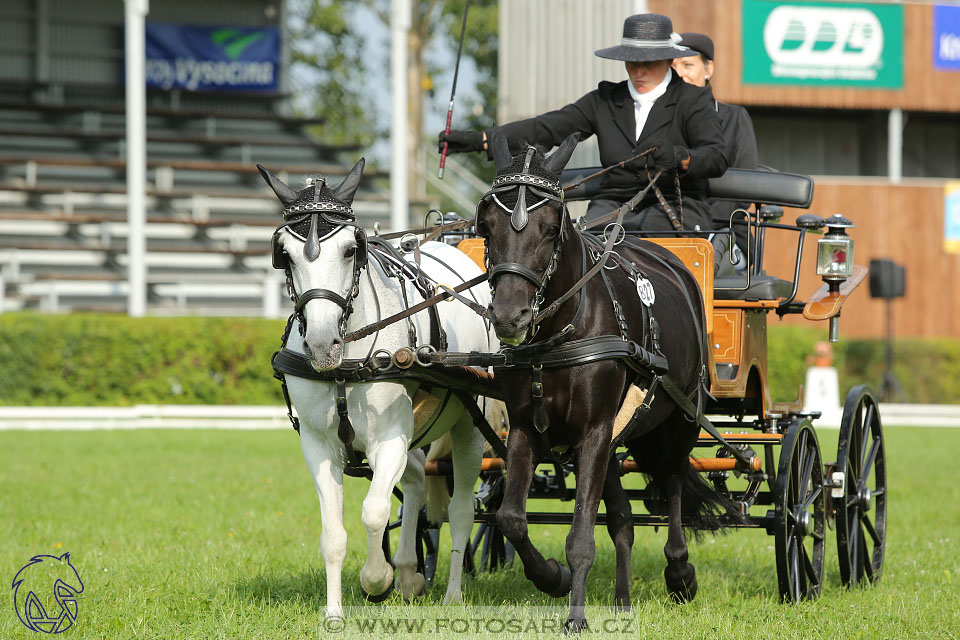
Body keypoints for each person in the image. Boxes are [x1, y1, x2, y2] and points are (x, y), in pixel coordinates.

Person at [439, 13, 727, 233]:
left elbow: (716, 156)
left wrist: (682, 158)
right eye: (631, 62)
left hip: (677, 206)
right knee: (580, 246)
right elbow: (547, 127)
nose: (638, 71)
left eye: (648, 63)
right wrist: (483, 139)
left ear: (667, 60)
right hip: (612, 205)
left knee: (651, 239)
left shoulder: (693, 99)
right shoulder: (603, 100)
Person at [673, 32, 758, 268]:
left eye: (688, 65)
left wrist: (698, 228)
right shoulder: (661, 120)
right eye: (672, 67)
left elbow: (743, 187)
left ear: (708, 68)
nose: (680, 74)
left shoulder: (734, 119)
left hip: (723, 232)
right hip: (665, 228)